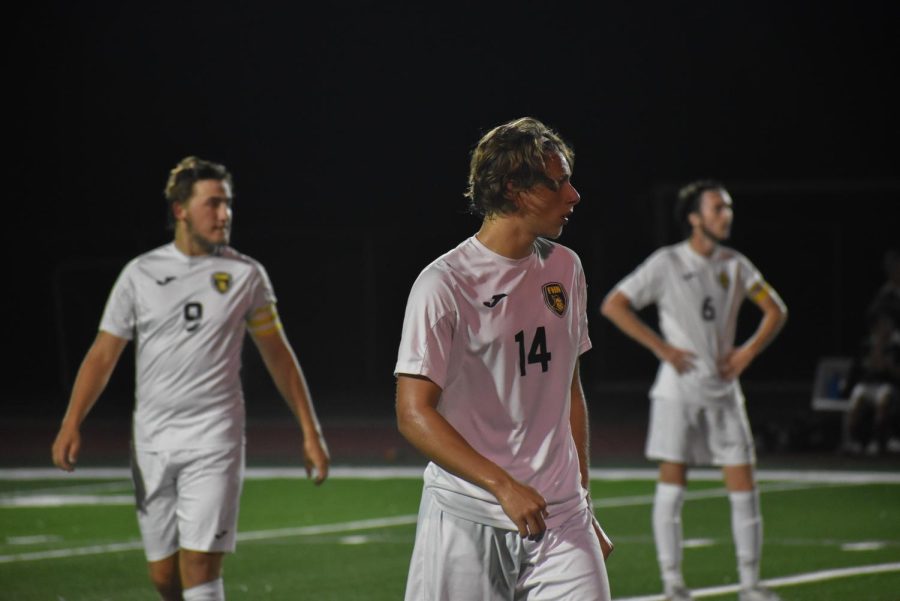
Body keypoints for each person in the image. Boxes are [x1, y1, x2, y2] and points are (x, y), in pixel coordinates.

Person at [51, 156, 330, 601]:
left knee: (199, 567)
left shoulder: (247, 276)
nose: (224, 215)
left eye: (228, 204)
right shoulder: (139, 274)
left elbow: (279, 356)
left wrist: (310, 431)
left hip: (214, 439)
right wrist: (71, 423)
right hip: (152, 441)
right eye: (213, 204)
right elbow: (103, 355)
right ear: (181, 210)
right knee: (165, 578)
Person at [394, 117, 612, 601]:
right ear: (516, 190)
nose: (573, 195)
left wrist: (583, 501)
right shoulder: (443, 284)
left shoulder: (566, 268)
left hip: (562, 519)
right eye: (558, 183)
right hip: (468, 514)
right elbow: (413, 413)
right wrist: (502, 486)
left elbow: (568, 392)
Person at [600, 180, 787, 601]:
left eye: (728, 207)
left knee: (745, 485)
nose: (727, 214)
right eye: (718, 207)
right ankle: (672, 584)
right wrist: (662, 348)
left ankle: (751, 585)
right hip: (677, 392)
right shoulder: (666, 263)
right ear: (694, 218)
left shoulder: (736, 265)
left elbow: (776, 309)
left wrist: (746, 353)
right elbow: (614, 304)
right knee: (673, 485)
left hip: (724, 391)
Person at [845, 251, 900, 455]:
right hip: (870, 385)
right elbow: (860, 369)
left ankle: (883, 440)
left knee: (884, 397)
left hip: (887, 386)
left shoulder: (894, 345)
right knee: (858, 395)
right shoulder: (868, 344)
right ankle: (855, 441)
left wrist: (887, 366)